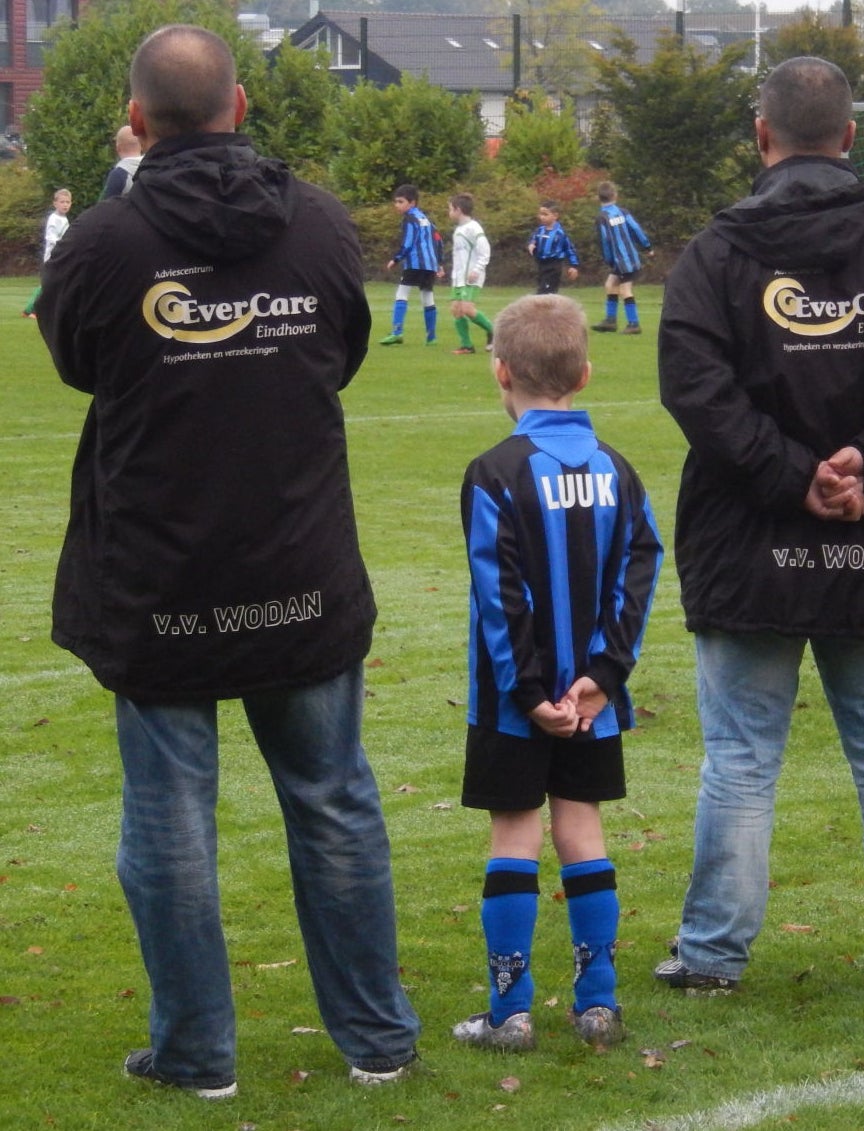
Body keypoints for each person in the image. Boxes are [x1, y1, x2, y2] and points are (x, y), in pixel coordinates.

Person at [35, 24, 420, 1098]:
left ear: (136, 118)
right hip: (296, 562)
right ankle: (374, 1039)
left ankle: (201, 1053)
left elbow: (76, 356)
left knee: (172, 818)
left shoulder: (106, 240)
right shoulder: (318, 223)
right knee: (332, 800)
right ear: (240, 107)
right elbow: (338, 351)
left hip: (163, 572)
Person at [656, 56, 864, 995]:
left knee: (740, 758)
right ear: (849, 137)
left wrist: (834, 470)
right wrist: (852, 471)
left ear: (760, 135)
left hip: (749, 542)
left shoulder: (715, 255)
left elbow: (695, 387)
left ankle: (712, 955)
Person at [453, 294, 663, 1052]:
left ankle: (508, 1013)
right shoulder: (618, 470)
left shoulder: (494, 473)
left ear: (501, 372)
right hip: (590, 700)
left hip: (515, 700)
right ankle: (596, 1004)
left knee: (515, 830)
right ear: (584, 373)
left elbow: (499, 593)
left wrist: (531, 692)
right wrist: (603, 675)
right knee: (581, 825)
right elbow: (640, 573)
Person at [381, 183, 441, 345]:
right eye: (396, 202)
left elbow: (408, 243)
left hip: (414, 263)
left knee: (402, 294)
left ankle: (397, 332)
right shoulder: (426, 219)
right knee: (427, 297)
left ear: (412, 203)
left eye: (401, 202)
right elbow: (438, 240)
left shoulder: (409, 219)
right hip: (429, 265)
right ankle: (431, 337)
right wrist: (439, 262)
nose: (397, 205)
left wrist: (396, 259)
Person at [592, 180, 652, 335]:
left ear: (598, 198)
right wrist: (647, 246)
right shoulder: (623, 212)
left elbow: (605, 241)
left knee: (625, 289)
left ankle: (634, 324)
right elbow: (636, 229)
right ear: (615, 195)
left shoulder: (601, 218)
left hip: (620, 261)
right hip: (630, 258)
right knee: (610, 284)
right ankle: (610, 321)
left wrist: (609, 260)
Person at [447, 191, 494, 355]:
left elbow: (485, 251)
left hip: (471, 276)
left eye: (450, 209)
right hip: (459, 278)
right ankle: (467, 345)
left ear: (458, 210)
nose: (449, 212)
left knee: (467, 309)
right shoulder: (459, 229)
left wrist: (477, 270)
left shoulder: (474, 228)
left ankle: (494, 331)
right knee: (456, 309)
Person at [22, 187, 71, 317]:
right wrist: (62, 244)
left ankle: (35, 310)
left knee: (54, 284)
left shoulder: (65, 219)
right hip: (52, 257)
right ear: (55, 203)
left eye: (67, 202)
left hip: (61, 256)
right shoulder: (54, 219)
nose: (65, 205)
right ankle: (31, 310)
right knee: (47, 284)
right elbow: (50, 237)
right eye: (62, 202)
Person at [528, 200, 579, 295]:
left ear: (555, 216)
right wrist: (531, 244)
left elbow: (569, 249)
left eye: (545, 214)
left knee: (545, 292)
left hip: (553, 265)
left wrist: (574, 265)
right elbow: (533, 239)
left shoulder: (560, 233)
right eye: (540, 214)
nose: (542, 217)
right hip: (541, 264)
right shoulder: (539, 230)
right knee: (542, 289)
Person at [100, 124, 142, 199]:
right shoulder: (154, 167)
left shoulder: (119, 174)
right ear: (141, 145)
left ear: (118, 148)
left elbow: (107, 203)